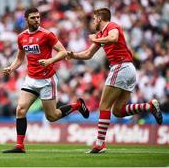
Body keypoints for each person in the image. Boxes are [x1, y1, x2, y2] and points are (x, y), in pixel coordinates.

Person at [67, 8, 163, 154]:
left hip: (120, 66)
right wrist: (72, 55)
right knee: (118, 111)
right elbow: (87, 54)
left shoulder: (111, 26)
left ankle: (100, 144)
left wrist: (96, 39)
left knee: (104, 106)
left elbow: (114, 38)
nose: (93, 21)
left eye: (94, 19)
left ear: (99, 18)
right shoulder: (101, 34)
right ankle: (148, 106)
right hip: (128, 69)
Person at [2, 7, 89, 153]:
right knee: (20, 109)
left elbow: (63, 52)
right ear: (26, 19)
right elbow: (19, 58)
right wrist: (11, 68)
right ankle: (20, 146)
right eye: (33, 18)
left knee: (52, 116)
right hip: (31, 79)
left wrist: (50, 61)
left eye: (38, 17)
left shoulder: (47, 35)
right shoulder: (21, 37)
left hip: (47, 80)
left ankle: (77, 105)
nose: (37, 20)